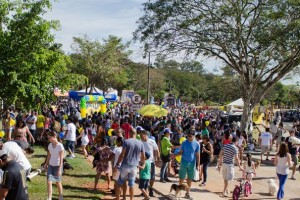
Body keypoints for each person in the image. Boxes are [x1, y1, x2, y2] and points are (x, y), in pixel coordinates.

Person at [114, 128, 145, 200]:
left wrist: (118, 163)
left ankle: (118, 198)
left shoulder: (126, 142)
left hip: (125, 164)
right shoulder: (140, 143)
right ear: (136, 133)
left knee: (119, 183)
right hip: (134, 166)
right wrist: (142, 164)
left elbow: (122, 154)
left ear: (130, 133)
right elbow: (143, 157)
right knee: (131, 184)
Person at [174, 129, 200, 199]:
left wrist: (198, 165)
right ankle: (178, 192)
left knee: (190, 179)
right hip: (184, 162)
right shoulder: (184, 143)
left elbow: (198, 155)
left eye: (190, 136)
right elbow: (181, 152)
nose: (188, 137)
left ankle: (187, 193)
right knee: (181, 178)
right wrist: (174, 155)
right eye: (188, 136)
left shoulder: (197, 144)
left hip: (192, 163)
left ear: (193, 136)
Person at [218, 130, 243, 197]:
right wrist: (240, 166)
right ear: (235, 142)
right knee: (228, 179)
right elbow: (237, 159)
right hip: (230, 165)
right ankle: (224, 192)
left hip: (224, 164)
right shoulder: (235, 148)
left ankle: (226, 190)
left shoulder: (225, 146)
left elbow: (220, 155)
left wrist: (219, 164)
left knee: (225, 178)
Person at [44, 131, 64, 200]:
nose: (48, 139)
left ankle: (60, 196)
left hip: (57, 166)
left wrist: (60, 169)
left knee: (58, 182)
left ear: (54, 137)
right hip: (50, 165)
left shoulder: (60, 146)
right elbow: (48, 156)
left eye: (50, 137)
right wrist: (46, 164)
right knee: (49, 181)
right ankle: (49, 197)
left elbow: (62, 158)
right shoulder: (49, 145)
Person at [140, 130, 159, 197]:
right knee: (143, 177)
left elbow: (156, 149)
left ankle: (150, 189)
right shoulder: (140, 142)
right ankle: (144, 190)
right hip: (142, 162)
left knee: (152, 177)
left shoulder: (152, 141)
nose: (140, 137)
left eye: (141, 135)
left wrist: (157, 159)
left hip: (151, 162)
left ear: (145, 135)